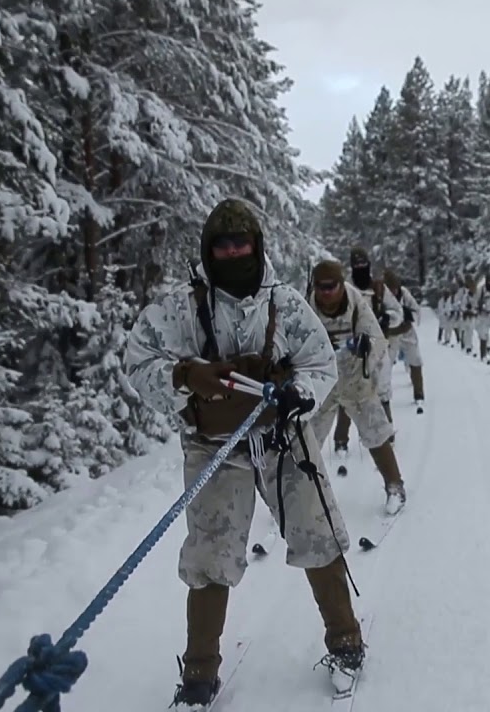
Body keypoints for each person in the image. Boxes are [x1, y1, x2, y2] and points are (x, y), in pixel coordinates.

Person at [124, 199, 363, 705]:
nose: (233, 254)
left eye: (242, 244)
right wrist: (184, 375)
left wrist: (302, 392)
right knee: (210, 554)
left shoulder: (285, 305)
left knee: (317, 532)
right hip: (215, 446)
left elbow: (320, 362)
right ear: (209, 251)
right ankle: (199, 671)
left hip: (283, 440)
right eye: (222, 246)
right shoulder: (180, 308)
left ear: (257, 245)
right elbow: (139, 359)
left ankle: (345, 641)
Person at [307, 260, 407, 516]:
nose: (327, 292)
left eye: (332, 286)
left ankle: (394, 486)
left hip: (355, 378)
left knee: (376, 431)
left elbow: (378, 340)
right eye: (321, 287)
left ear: (342, 285)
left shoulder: (357, 304)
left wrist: (366, 347)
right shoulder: (306, 307)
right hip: (322, 381)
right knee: (307, 437)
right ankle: (300, 494)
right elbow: (293, 344)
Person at [332, 247, 404, 452]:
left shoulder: (379, 289)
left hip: (379, 347)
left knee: (382, 391)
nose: (361, 268)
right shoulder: (345, 290)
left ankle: (386, 436)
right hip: (352, 350)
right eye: (357, 265)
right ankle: (341, 440)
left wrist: (388, 318)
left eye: (364, 265)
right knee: (347, 393)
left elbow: (397, 311)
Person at [382, 268, 425, 409]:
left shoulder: (405, 294)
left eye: (395, 288)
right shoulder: (381, 296)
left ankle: (419, 393)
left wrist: (409, 315)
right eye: (390, 288)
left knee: (416, 360)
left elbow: (416, 310)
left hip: (406, 332)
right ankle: (383, 398)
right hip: (390, 335)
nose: (393, 291)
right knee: (385, 365)